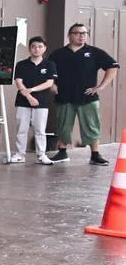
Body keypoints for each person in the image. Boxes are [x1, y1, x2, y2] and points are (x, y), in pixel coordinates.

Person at [48, 23, 120, 165]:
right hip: (64, 96)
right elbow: (47, 71)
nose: (82, 36)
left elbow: (113, 67)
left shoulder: (94, 52)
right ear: (69, 36)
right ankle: (62, 152)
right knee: (63, 125)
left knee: (92, 125)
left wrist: (100, 86)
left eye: (84, 33)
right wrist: (53, 85)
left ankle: (95, 154)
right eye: (78, 33)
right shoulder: (58, 54)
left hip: (87, 97)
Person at [11, 36, 57, 165]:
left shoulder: (50, 64)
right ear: (29, 48)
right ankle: (20, 154)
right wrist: (29, 97)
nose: (36, 49)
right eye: (33, 46)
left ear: (44, 48)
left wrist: (31, 90)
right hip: (22, 102)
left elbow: (49, 83)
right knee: (21, 129)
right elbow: (19, 83)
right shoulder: (21, 64)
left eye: (40, 46)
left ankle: (41, 155)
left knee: (40, 130)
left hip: (41, 103)